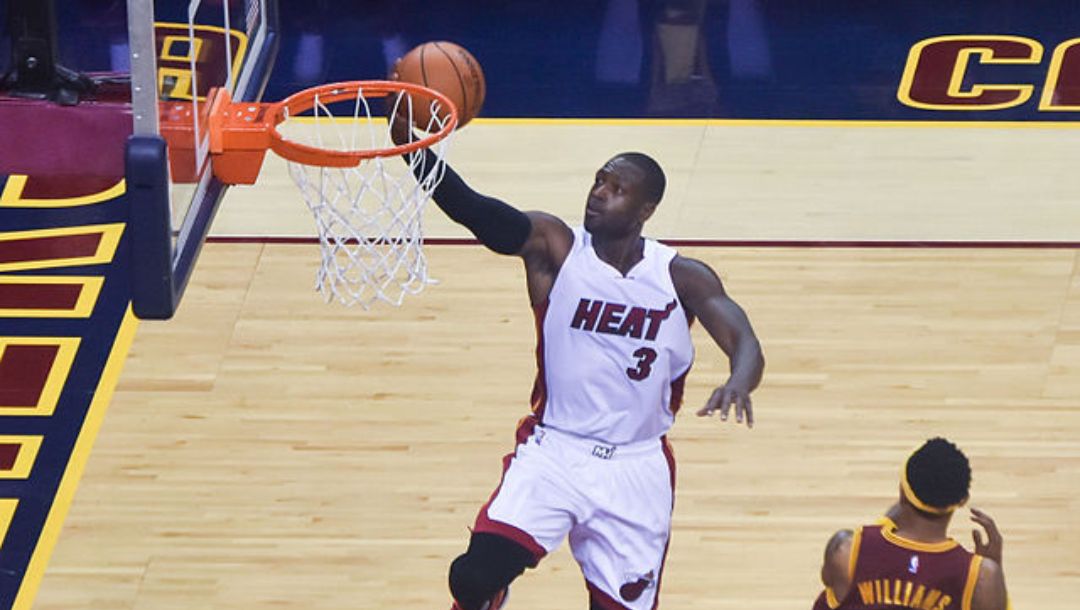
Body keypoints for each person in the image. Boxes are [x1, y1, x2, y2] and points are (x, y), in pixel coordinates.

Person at [389, 97, 764, 610]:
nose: (599, 193)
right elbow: (477, 212)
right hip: (555, 451)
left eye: (617, 189)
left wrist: (739, 379)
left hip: (635, 468)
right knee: (472, 578)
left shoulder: (681, 277)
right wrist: (413, 150)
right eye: (599, 181)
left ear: (646, 210)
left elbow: (744, 340)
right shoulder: (557, 248)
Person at [812, 437, 1009, 610]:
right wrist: (995, 570)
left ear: (902, 490)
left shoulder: (846, 550)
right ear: (962, 500)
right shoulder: (981, 577)